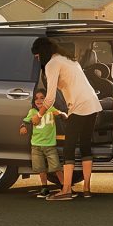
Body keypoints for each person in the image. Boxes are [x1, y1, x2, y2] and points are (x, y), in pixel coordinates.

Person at [32, 37, 103, 201]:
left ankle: (66, 190)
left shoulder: (52, 64)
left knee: (69, 148)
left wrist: (38, 115)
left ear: (42, 52)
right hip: (92, 103)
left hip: (79, 106)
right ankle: (86, 189)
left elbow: (49, 99)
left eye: (36, 56)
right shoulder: (69, 59)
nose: (37, 59)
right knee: (85, 145)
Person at [19, 88, 66, 197]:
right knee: (41, 168)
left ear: (47, 100)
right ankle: (44, 187)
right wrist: (23, 127)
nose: (39, 100)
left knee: (56, 167)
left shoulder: (50, 109)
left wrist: (63, 115)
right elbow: (25, 121)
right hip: (36, 145)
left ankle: (64, 185)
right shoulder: (32, 112)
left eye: (42, 98)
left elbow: (59, 113)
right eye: (36, 98)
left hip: (50, 145)